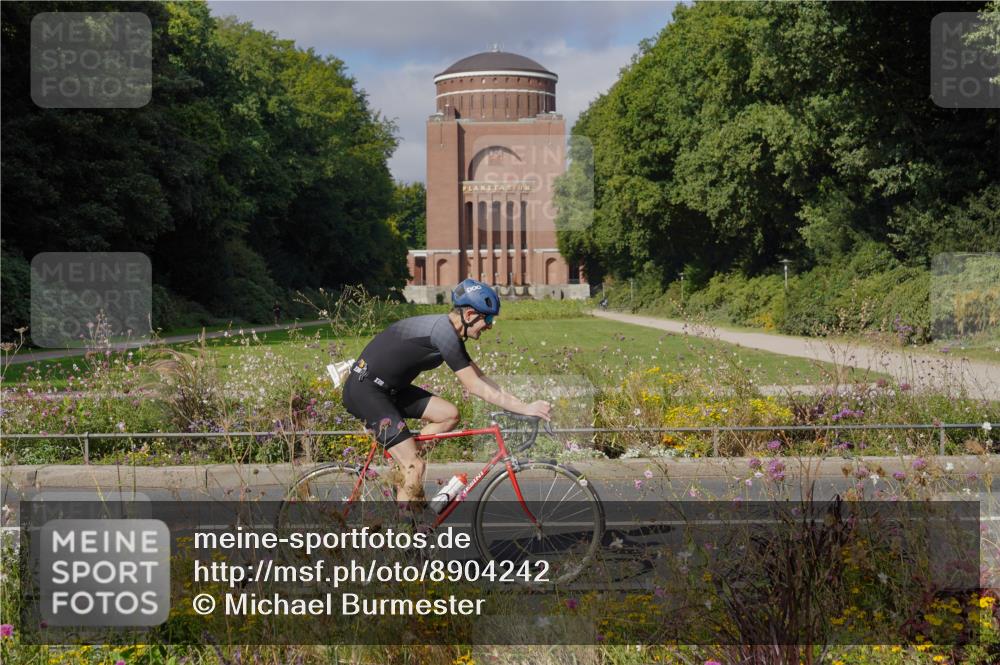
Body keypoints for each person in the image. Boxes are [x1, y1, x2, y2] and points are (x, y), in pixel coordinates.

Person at [342, 278, 551, 505]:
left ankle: (405, 468)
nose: (490, 326)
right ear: (469, 315)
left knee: (449, 414)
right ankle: (404, 521)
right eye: (488, 319)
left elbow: (481, 378)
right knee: (414, 466)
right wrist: (524, 409)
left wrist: (523, 406)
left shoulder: (449, 332)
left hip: (388, 390)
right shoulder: (444, 334)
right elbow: (474, 386)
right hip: (366, 390)